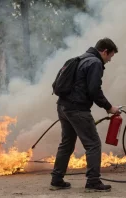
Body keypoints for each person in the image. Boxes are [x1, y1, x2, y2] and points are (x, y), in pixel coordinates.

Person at [50, 38, 120, 192]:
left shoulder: (80, 59)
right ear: (104, 51)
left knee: (66, 143)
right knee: (93, 144)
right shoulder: (94, 62)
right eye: (110, 57)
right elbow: (94, 90)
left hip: (63, 107)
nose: (109, 60)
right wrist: (109, 107)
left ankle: (56, 180)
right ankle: (93, 182)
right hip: (77, 110)